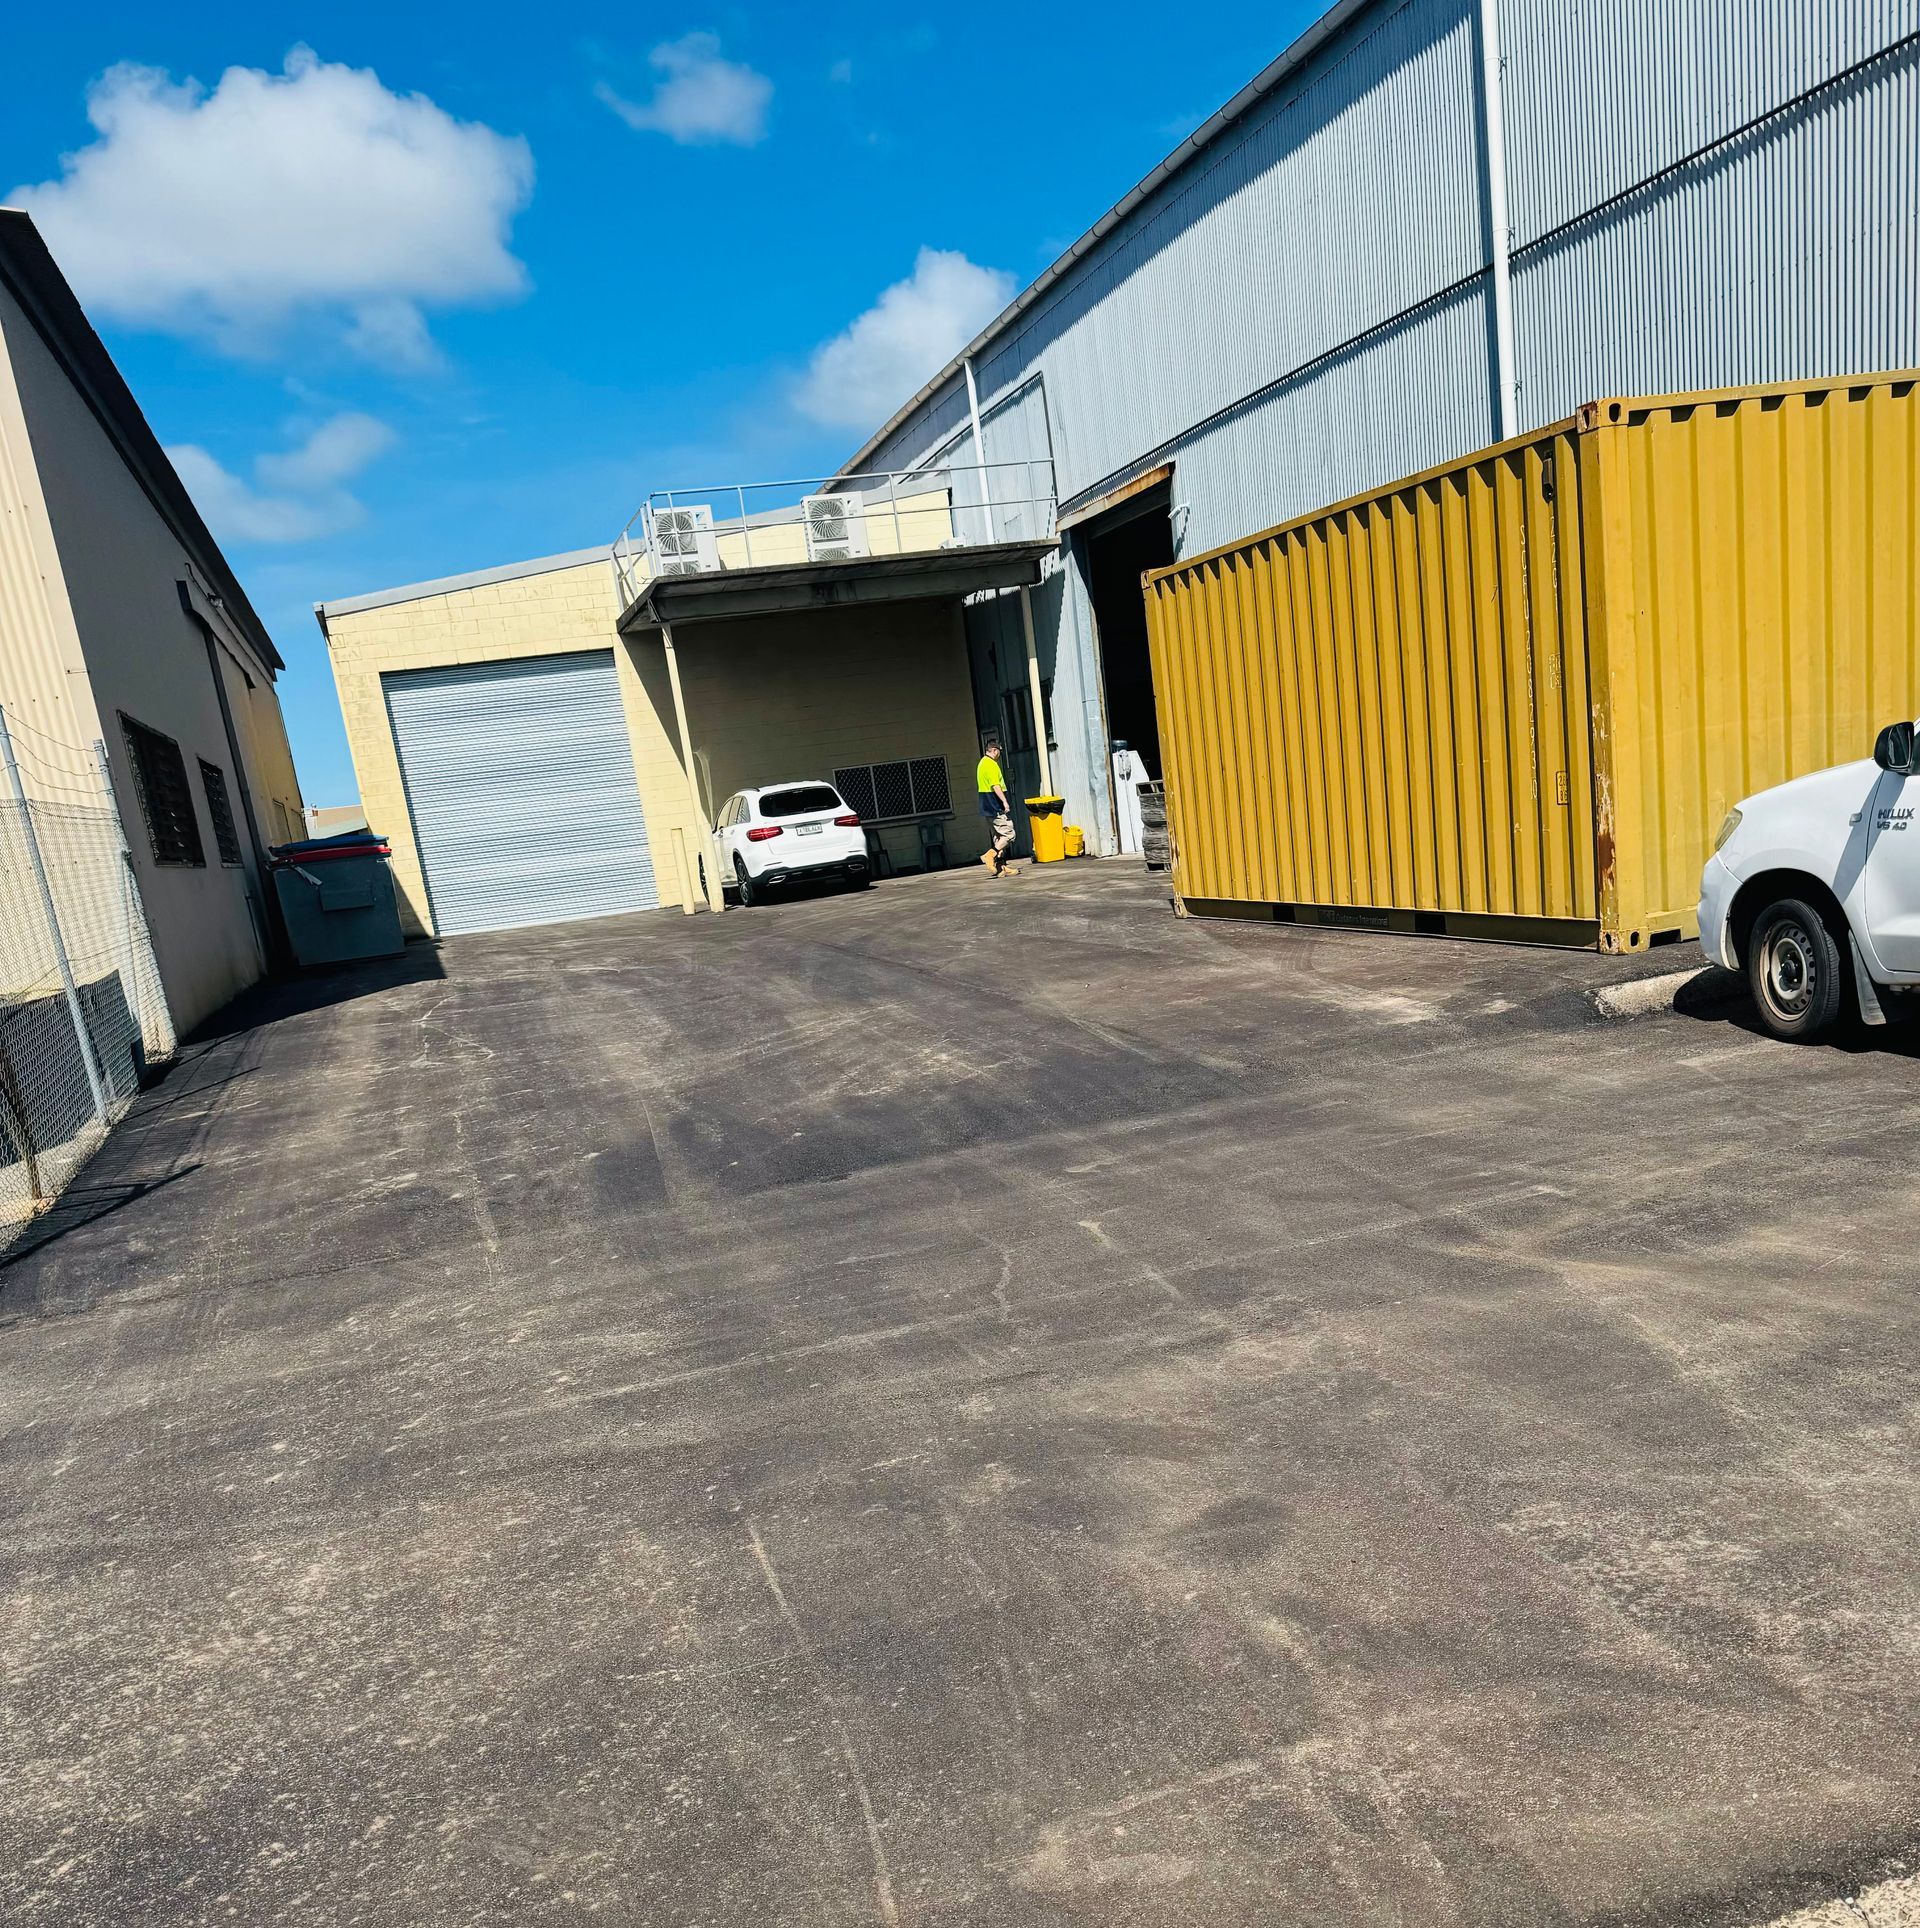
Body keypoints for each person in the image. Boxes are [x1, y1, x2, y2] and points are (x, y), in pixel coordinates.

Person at [975, 734, 1019, 878]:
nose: (999, 754)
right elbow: (996, 785)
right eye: (999, 751)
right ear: (994, 750)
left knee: (998, 836)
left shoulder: (981, 763)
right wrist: (1005, 801)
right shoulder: (991, 765)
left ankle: (1001, 867)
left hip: (986, 806)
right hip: (995, 805)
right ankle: (990, 855)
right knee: (1009, 833)